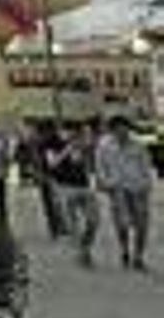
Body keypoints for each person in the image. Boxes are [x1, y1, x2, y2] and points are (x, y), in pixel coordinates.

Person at [95, 115, 153, 271]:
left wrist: (147, 185)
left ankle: (138, 256)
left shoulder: (138, 144)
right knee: (122, 224)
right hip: (117, 189)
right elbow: (100, 166)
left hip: (138, 188)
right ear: (112, 130)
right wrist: (105, 183)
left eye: (125, 128)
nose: (122, 131)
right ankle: (125, 250)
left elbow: (146, 165)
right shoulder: (104, 145)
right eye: (118, 129)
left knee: (142, 225)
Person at [46, 121, 98, 267]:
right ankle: (81, 253)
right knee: (73, 225)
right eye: (70, 131)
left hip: (84, 186)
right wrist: (68, 149)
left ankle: (85, 246)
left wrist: (86, 148)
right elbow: (52, 164)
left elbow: (89, 164)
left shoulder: (83, 145)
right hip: (65, 187)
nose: (74, 134)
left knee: (93, 221)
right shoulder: (52, 144)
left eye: (77, 131)